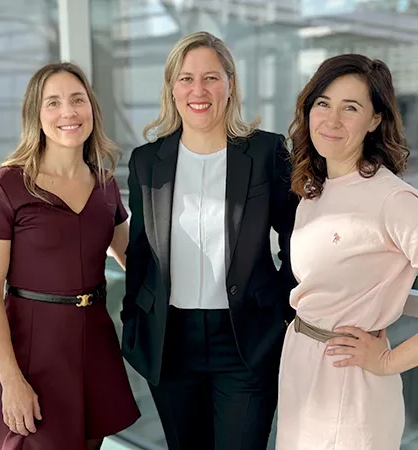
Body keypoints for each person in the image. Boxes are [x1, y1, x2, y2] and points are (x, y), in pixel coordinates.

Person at [276, 54, 418, 450]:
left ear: (375, 120)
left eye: (351, 107)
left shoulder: (392, 199)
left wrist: (388, 362)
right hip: (300, 369)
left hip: (350, 381)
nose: (332, 119)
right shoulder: (315, 186)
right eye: (323, 103)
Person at [121, 31, 298, 450]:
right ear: (172, 88)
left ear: (230, 84)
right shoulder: (147, 162)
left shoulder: (266, 152)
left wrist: (287, 314)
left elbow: (294, 234)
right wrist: (133, 320)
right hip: (170, 340)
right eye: (185, 79)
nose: (198, 90)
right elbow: (141, 248)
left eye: (211, 78)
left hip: (247, 340)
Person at [0, 62, 140, 450]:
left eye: (77, 100)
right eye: (54, 102)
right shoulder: (3, 187)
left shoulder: (105, 184)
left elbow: (131, 255)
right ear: (36, 114)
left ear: (92, 110)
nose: (68, 112)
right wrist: (11, 379)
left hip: (94, 341)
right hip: (34, 352)